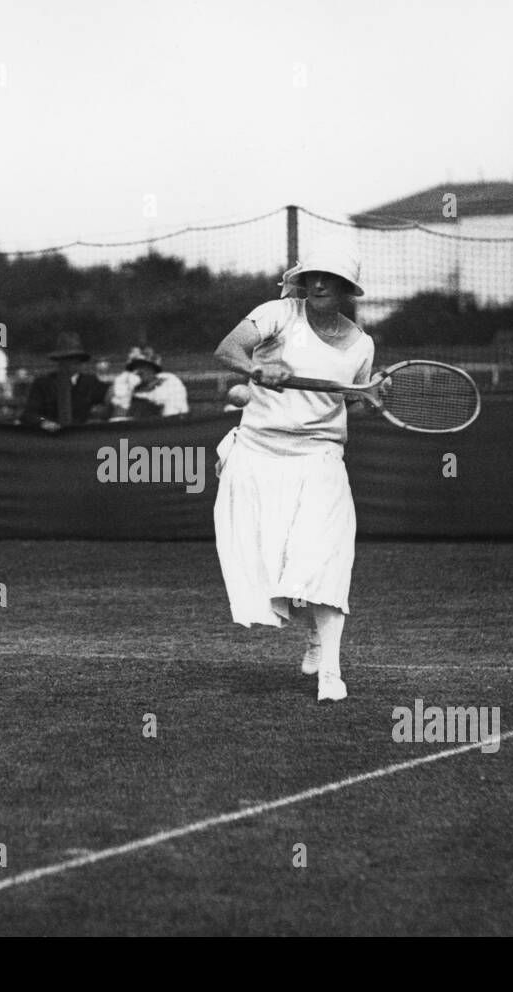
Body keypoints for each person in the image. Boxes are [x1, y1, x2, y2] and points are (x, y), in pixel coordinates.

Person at [212, 248, 376, 703]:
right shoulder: (276, 314)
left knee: (324, 560)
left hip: (320, 458)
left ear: (345, 289)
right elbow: (227, 349)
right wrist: (253, 368)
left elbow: (349, 400)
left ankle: (331, 671)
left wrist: (368, 398)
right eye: (313, 276)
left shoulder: (363, 345)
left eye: (330, 278)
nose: (319, 284)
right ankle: (313, 636)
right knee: (278, 566)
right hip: (259, 456)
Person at [18, 332, 111, 431]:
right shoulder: (43, 383)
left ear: (80, 360)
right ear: (59, 360)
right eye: (66, 358)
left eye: (75, 358)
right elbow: (29, 414)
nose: (71, 363)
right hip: (51, 437)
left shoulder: (90, 382)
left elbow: (112, 394)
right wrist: (43, 422)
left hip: (80, 436)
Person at [109, 346, 189, 419]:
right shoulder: (124, 384)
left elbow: (172, 417)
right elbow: (117, 418)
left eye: (142, 365)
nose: (137, 371)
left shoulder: (169, 381)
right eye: (133, 367)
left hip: (167, 428)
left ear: (152, 368)